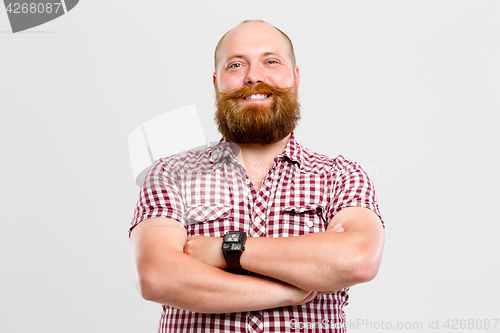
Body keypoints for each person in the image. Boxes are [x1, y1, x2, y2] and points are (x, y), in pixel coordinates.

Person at [129, 20, 385, 333]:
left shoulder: (341, 176)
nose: (253, 76)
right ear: (216, 83)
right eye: (236, 65)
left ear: (296, 77)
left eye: (271, 61)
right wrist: (289, 292)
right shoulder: (170, 174)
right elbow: (158, 276)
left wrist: (226, 249)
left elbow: (357, 259)